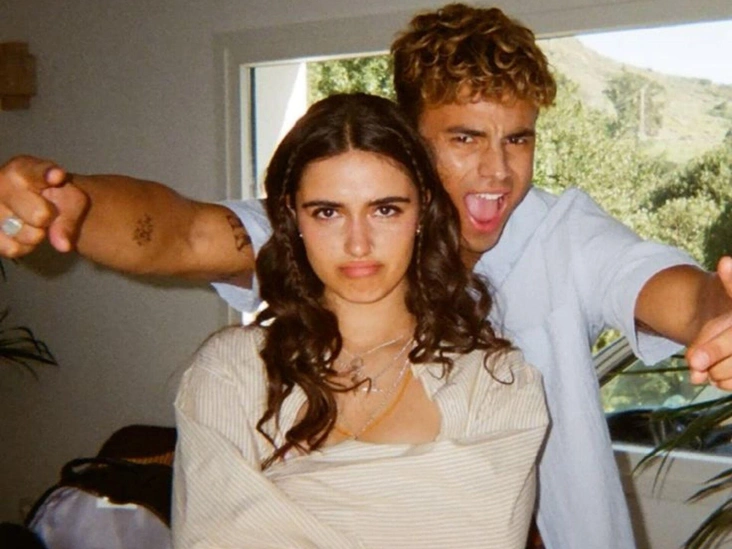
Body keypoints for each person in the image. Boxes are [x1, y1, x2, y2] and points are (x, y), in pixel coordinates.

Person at [1, 3, 731, 548]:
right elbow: (182, 232)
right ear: (409, 140)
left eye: (518, 139)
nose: (498, 171)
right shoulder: (332, 232)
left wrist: (715, 315)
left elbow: (665, 288)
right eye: (466, 138)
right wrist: (70, 202)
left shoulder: (562, 233)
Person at [172, 92, 548, 548]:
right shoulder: (232, 371)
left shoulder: (496, 383)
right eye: (328, 212)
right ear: (292, 216)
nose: (358, 244)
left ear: (423, 209)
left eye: (385, 209)